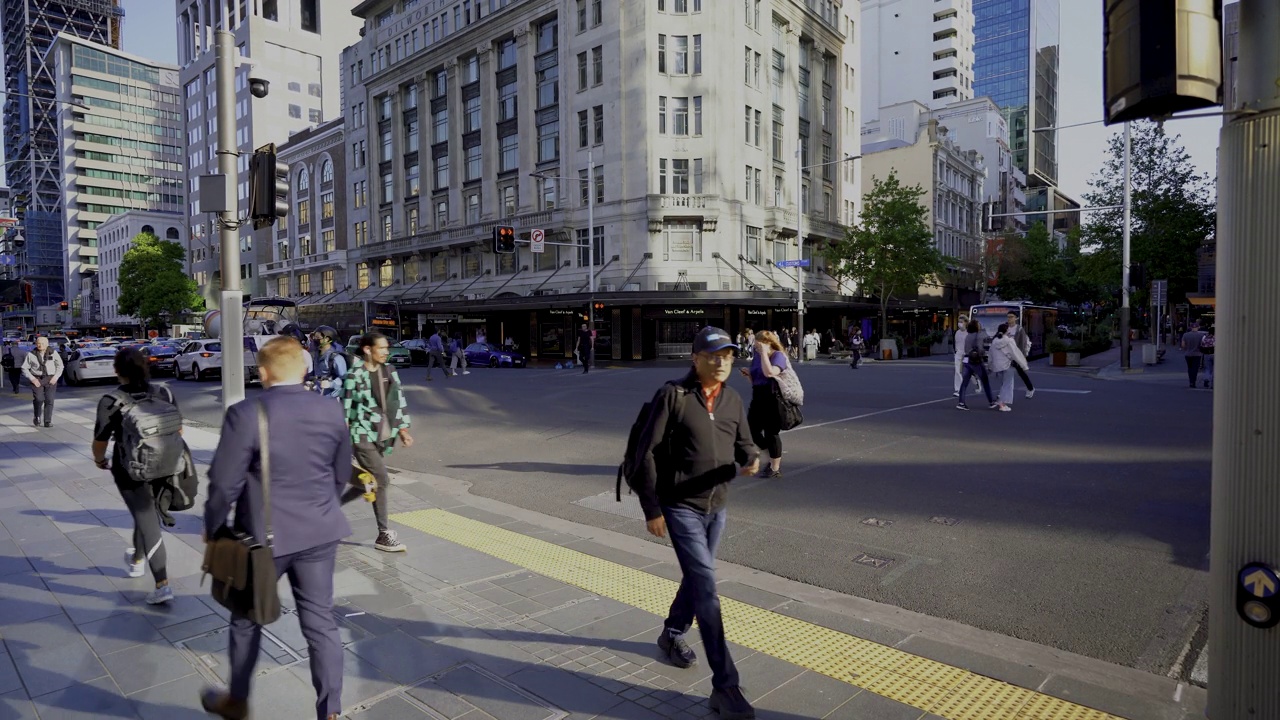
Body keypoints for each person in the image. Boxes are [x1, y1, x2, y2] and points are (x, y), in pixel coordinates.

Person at [201, 337, 352, 720]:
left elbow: (223, 483)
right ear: (304, 368)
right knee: (320, 623)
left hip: (262, 540)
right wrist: (321, 510)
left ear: (263, 372)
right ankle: (330, 711)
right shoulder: (331, 409)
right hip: (320, 532)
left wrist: (214, 527)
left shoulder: (247, 413)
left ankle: (236, 701)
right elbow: (340, 475)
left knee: (246, 620)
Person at [635, 326, 759, 720]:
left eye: (728, 355)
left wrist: (751, 456)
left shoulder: (734, 399)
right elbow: (645, 454)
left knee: (696, 577)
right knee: (707, 588)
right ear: (696, 358)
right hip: (680, 506)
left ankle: (671, 633)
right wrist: (652, 508)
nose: (722, 361)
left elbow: (742, 443)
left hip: (717, 506)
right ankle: (725, 685)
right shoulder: (673, 396)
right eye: (714, 355)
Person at [91, 347, 176, 605]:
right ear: (145, 366)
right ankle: (138, 560)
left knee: (146, 518)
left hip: (130, 468)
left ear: (117, 371)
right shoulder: (163, 392)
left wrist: (99, 460)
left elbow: (100, 441)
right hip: (166, 462)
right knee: (145, 514)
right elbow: (178, 428)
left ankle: (162, 583)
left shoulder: (111, 401)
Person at [342, 332, 415, 552]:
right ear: (367, 349)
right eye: (381, 348)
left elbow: (398, 400)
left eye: (387, 348)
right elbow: (346, 409)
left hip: (381, 434)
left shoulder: (390, 371)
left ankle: (327, 509)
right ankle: (384, 534)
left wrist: (402, 430)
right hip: (361, 433)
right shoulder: (355, 374)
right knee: (381, 479)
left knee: (368, 482)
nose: (386, 352)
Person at [740, 330, 788, 479]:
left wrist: (765, 354)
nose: (755, 345)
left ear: (767, 343)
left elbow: (770, 373)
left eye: (758, 343)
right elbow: (756, 379)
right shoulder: (757, 356)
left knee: (771, 432)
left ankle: (775, 468)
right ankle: (771, 452)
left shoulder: (778, 356)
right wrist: (749, 374)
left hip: (772, 397)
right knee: (750, 430)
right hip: (758, 395)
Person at [22, 336, 63, 428]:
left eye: (42, 343)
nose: (40, 345)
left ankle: (47, 421)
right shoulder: (31, 354)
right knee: (39, 399)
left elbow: (60, 366)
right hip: (37, 378)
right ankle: (37, 416)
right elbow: (24, 368)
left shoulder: (53, 353)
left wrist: (55, 377)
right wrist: (32, 379)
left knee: (49, 399)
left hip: (50, 378)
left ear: (47, 344)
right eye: (38, 343)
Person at [988, 324, 1028, 413]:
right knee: (1008, 385)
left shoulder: (994, 341)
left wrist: (990, 366)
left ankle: (1000, 402)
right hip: (1007, 365)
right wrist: (1023, 365)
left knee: (1004, 384)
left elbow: (990, 355)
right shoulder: (1009, 341)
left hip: (997, 366)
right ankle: (1002, 404)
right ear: (1006, 331)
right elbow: (1015, 354)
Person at [957, 319, 996, 411]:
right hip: (976, 361)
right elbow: (980, 348)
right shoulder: (978, 336)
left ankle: (961, 402)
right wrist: (983, 353)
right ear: (976, 326)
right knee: (985, 381)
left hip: (967, 360)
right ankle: (991, 401)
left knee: (964, 382)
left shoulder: (967, 336)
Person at [1005, 311, 1036, 399]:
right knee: (1006, 374)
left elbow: (1022, 344)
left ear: (1016, 318)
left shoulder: (1019, 329)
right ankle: (1004, 393)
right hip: (1007, 355)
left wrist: (1021, 357)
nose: (1009, 319)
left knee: (1021, 373)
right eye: (1008, 317)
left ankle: (1030, 388)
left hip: (1016, 354)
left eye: (1011, 317)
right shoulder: (1005, 328)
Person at [310, 326, 347, 399]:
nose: (315, 339)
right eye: (314, 336)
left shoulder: (336, 358)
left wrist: (331, 384)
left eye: (318, 337)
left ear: (327, 339)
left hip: (331, 399)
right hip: (317, 397)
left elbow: (344, 380)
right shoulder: (316, 355)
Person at [1180, 322, 1207, 389]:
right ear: (1198, 327)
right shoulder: (1201, 335)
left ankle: (1191, 381)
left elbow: (1183, 345)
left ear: (1191, 327)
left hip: (1188, 354)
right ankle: (1193, 382)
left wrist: (1187, 348)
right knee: (1195, 368)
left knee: (1190, 368)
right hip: (1197, 354)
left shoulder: (1185, 335)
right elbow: (1203, 344)